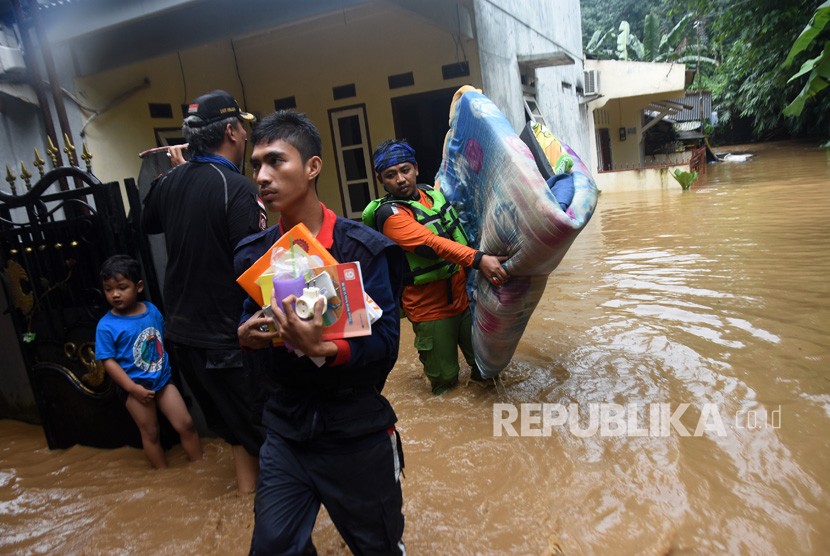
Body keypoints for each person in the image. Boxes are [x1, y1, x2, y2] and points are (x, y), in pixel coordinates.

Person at [235, 110, 406, 555]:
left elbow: (387, 346)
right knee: (272, 548)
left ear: (312, 167)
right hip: (287, 432)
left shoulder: (363, 251)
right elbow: (241, 326)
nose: (263, 176)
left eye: (276, 161)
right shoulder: (253, 257)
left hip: (355, 433)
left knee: (378, 546)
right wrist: (246, 336)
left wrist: (329, 349)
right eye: (256, 165)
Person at [142, 89, 267, 492]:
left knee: (234, 429)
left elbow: (146, 222)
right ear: (231, 131)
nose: (247, 135)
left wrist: (174, 172)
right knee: (267, 432)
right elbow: (254, 268)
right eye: (244, 127)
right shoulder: (237, 187)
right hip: (228, 338)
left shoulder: (171, 182)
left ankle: (245, 505)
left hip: (184, 338)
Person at [362, 139, 509, 394]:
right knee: (446, 383)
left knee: (487, 368)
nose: (400, 179)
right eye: (390, 175)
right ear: (381, 181)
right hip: (429, 310)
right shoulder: (390, 216)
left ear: (416, 168)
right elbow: (433, 243)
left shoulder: (433, 193)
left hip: (461, 299)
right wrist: (479, 259)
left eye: (405, 170)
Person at [95, 254, 202, 469]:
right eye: (108, 289)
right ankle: (164, 477)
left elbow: (162, 337)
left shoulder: (151, 310)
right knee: (151, 433)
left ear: (139, 286)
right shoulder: (106, 326)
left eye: (122, 287)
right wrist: (133, 389)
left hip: (162, 380)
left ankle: (200, 467)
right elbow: (108, 362)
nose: (115, 294)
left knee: (186, 424)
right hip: (134, 387)